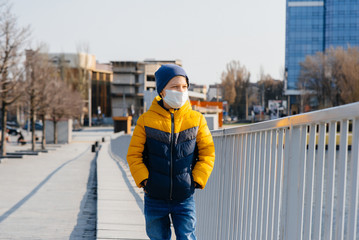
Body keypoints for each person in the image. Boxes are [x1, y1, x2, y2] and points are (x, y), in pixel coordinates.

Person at [127, 64, 215, 240]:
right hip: (154, 197)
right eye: (174, 87)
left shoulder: (197, 120)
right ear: (162, 91)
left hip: (184, 197)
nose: (181, 91)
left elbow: (207, 153)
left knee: (187, 237)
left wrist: (197, 179)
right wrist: (145, 181)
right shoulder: (146, 121)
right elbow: (133, 155)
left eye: (184, 87)